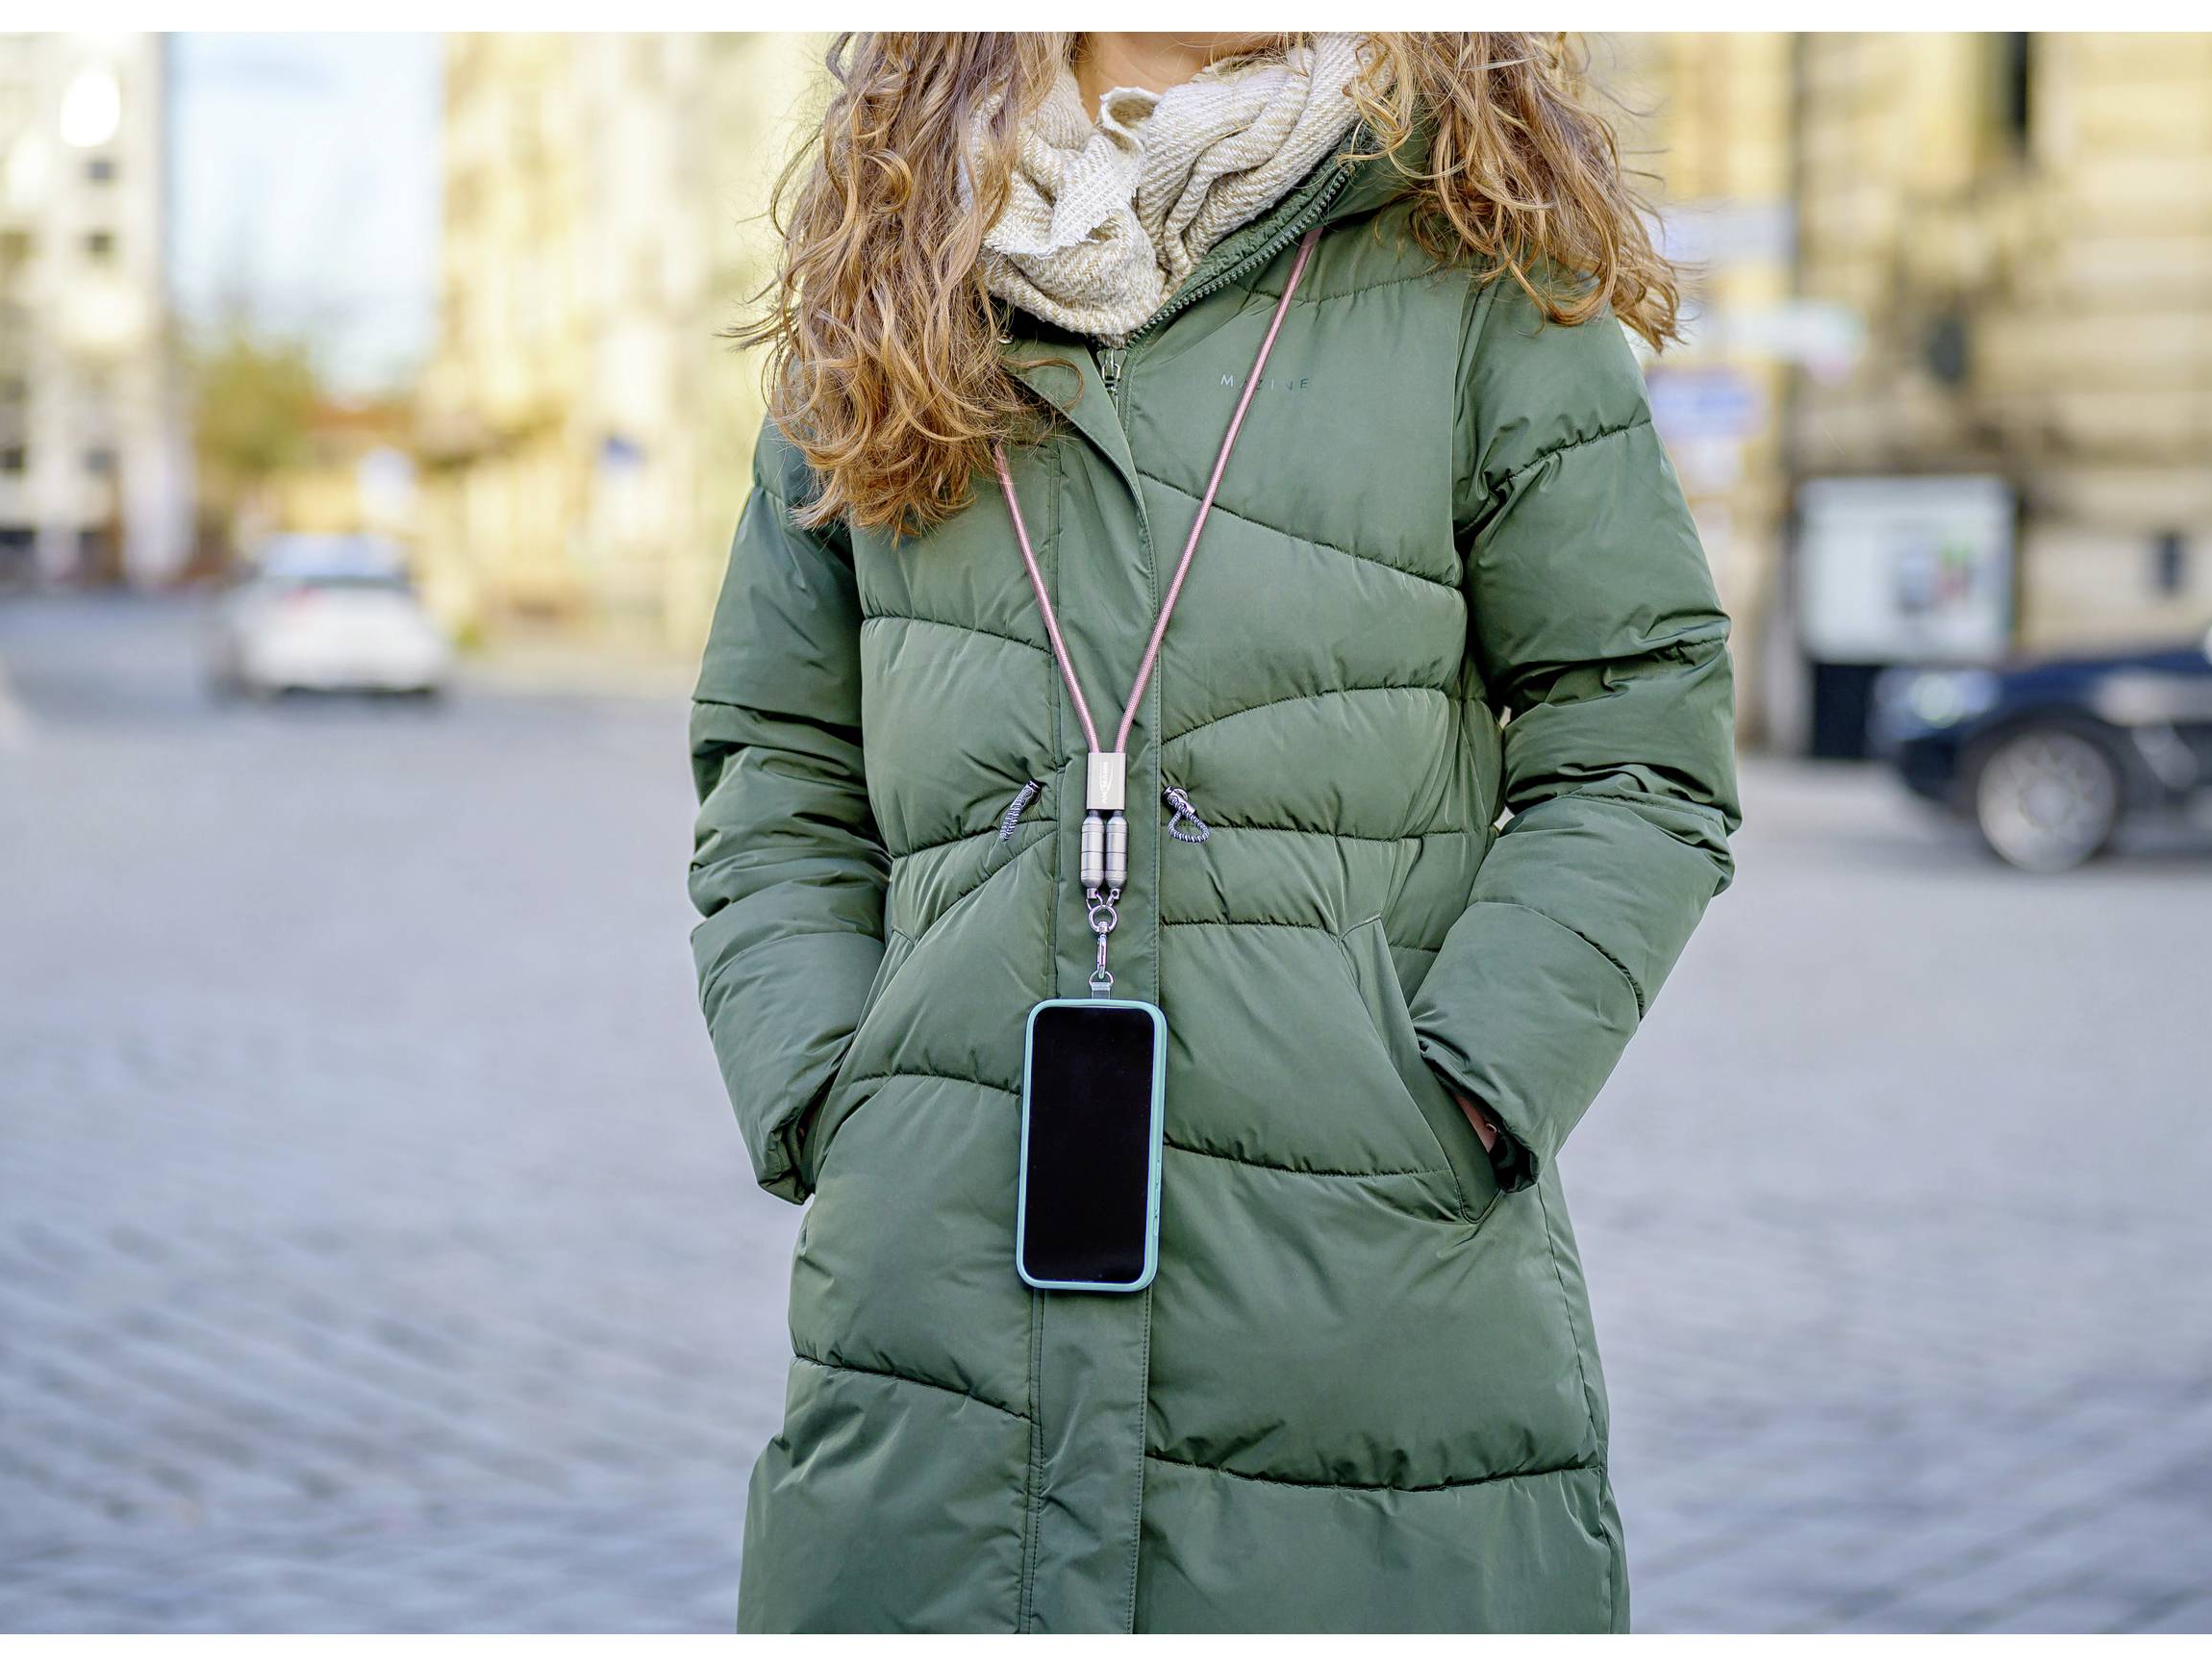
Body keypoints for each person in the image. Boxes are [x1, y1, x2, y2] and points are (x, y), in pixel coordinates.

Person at [688, 30, 1740, 1633]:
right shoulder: (885, 283)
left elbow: (1640, 736)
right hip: (936, 1301)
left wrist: (1456, 1091)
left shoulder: (1470, 246)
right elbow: (776, 765)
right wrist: (843, 1093)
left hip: (1369, 1298)